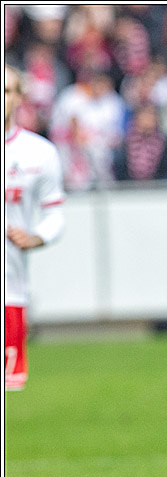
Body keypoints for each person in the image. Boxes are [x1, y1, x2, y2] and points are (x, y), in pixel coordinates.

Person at [4, 64, 65, 392]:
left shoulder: (39, 153)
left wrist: (36, 236)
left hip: (10, 293)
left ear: (19, 98)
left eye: (7, 91)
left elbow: (56, 214)